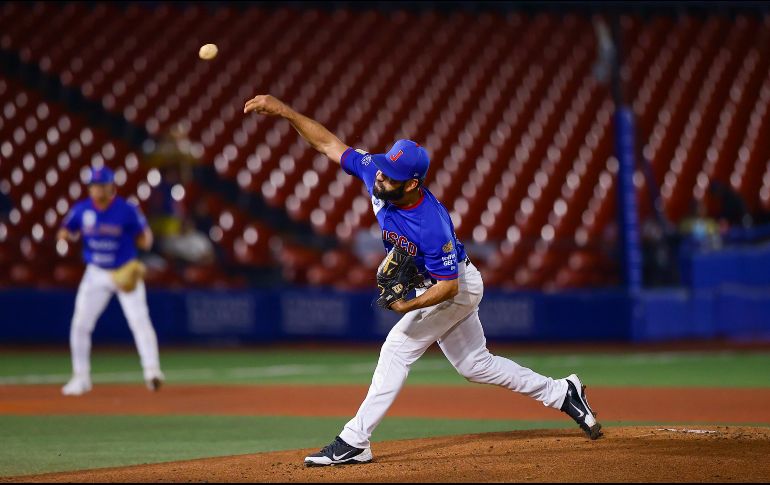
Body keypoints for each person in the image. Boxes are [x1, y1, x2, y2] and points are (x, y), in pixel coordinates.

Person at [243, 94, 603, 466]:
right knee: (475, 365)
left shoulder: (431, 224)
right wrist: (285, 112)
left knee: (397, 348)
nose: (380, 176)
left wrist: (409, 304)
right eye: (383, 169)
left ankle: (355, 440)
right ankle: (563, 392)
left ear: (413, 184)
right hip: (439, 284)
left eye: (391, 176)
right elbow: (328, 144)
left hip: (455, 286)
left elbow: (450, 286)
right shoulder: (378, 172)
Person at [57, 167, 165, 396]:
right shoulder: (82, 210)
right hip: (96, 273)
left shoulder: (126, 210)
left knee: (139, 320)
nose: (97, 189)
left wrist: (145, 243)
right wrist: (66, 237)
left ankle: (152, 372)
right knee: (80, 325)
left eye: (101, 185)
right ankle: (81, 377)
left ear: (111, 187)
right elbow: (66, 230)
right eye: (93, 185)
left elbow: (145, 236)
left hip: (124, 270)